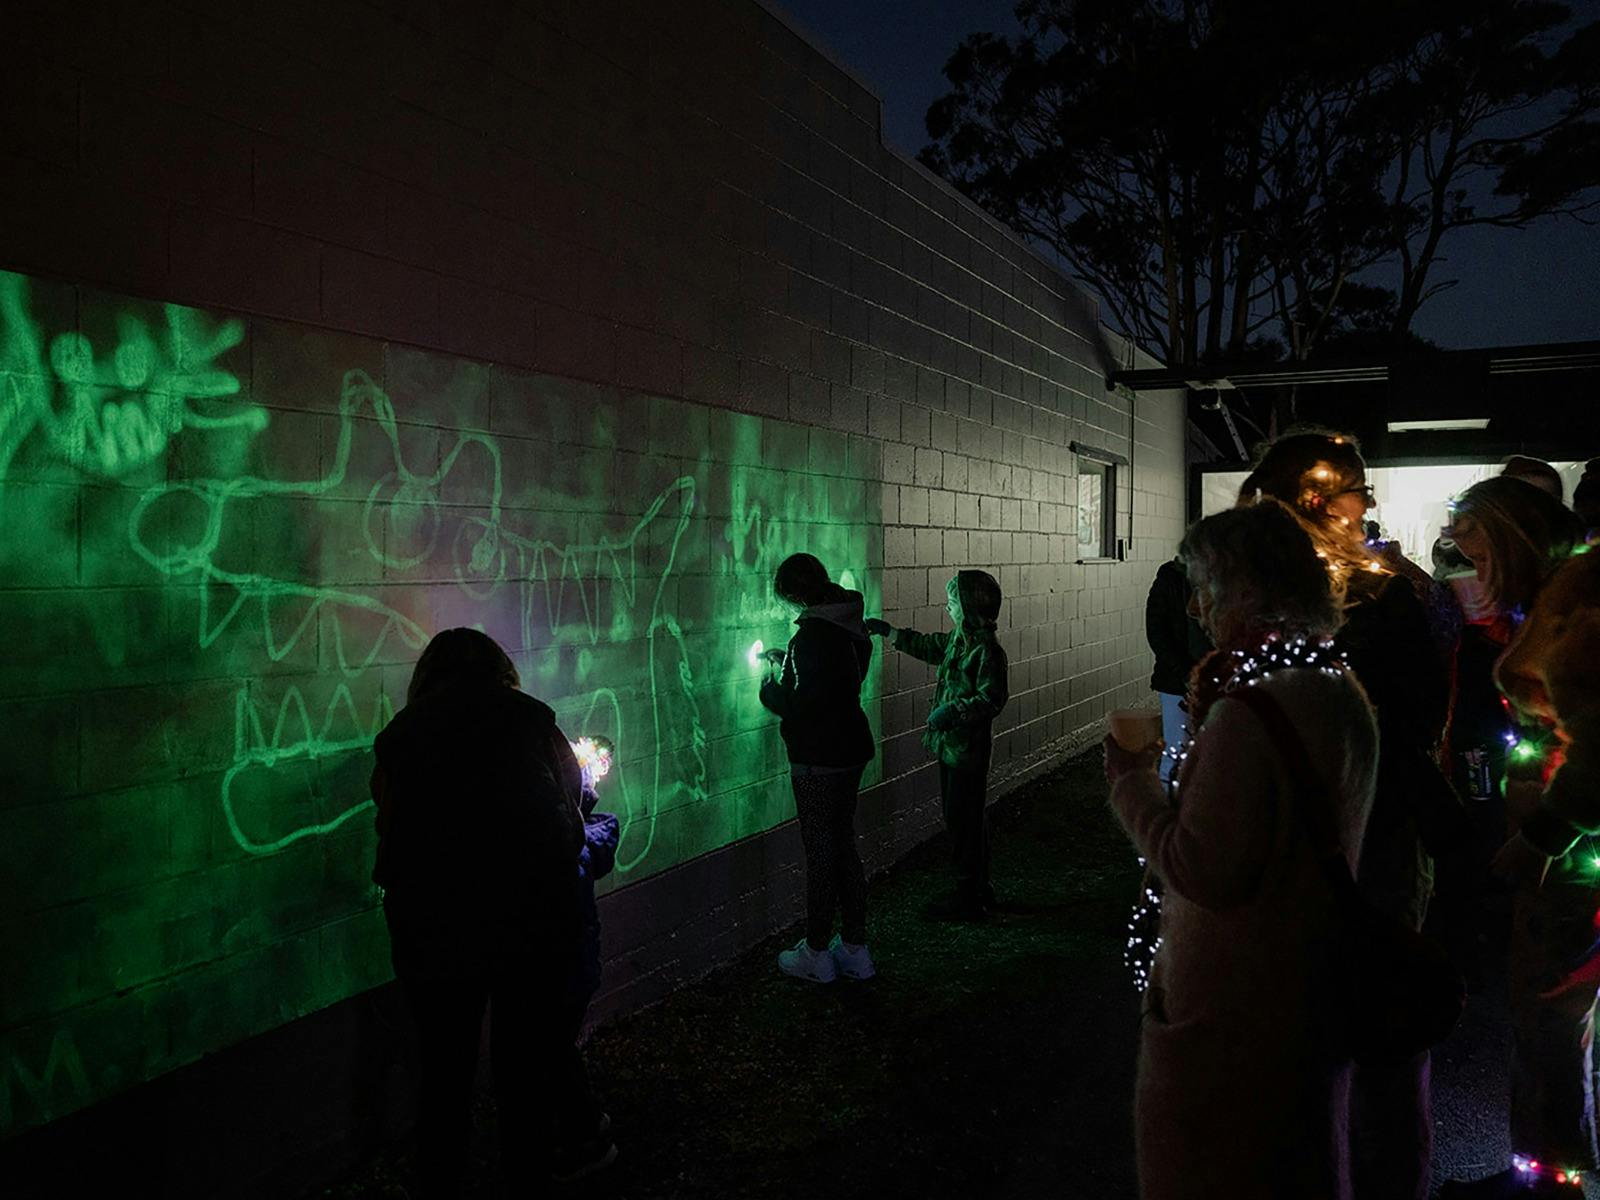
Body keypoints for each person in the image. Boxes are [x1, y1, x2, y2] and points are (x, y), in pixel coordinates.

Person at [1105, 500, 1379, 1200]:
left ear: (1246, 588)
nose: (1195, 608)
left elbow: (1204, 868)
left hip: (1228, 1013)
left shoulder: (1254, 713)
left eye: (1203, 585)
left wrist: (1131, 785)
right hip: (1302, 990)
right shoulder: (1335, 686)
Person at [1237, 428, 1453, 1200]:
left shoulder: (1273, 596)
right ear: (1320, 498)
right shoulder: (1372, 595)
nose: (1369, 506)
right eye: (1360, 491)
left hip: (1326, 838)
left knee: (1336, 1034)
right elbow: (1422, 704)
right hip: (1359, 833)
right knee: (1370, 1034)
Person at [370, 628, 615, 1195]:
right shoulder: (533, 722)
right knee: (522, 1075)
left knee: (444, 1076)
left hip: (432, 929)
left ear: (429, 675)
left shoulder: (404, 733)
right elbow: (571, 819)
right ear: (500, 669)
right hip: (530, 926)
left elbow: (387, 816)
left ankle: (440, 1181)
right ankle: (525, 1178)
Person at [1434, 480, 1588, 1198]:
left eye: (1481, 554)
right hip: (1561, 846)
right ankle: (1543, 1166)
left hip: (1573, 857)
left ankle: (1548, 1178)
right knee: (1548, 1016)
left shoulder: (1578, 603)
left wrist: (1546, 834)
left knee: (1551, 1015)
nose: (1474, 571)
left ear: (1512, 538)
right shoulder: (1556, 593)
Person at [758, 553, 877, 983]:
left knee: (822, 853)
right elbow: (837, 681)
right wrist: (790, 659)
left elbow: (804, 706)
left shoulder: (812, 636)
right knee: (844, 846)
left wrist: (770, 691)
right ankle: (855, 949)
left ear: (794, 595)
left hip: (817, 758)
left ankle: (817, 952)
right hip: (850, 749)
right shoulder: (849, 621)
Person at [867, 570, 1009, 920]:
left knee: (964, 821)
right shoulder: (960, 641)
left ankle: (968, 896)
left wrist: (954, 711)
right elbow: (930, 646)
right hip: (951, 749)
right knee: (963, 818)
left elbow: (991, 698)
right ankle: (977, 887)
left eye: (953, 600)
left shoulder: (986, 651)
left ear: (969, 605)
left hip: (967, 753)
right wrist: (891, 633)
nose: (947, 606)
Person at [1144, 557, 1212, 783]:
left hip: (1188, 677)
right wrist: (1186, 674)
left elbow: (1157, 630)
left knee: (1180, 751)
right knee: (1179, 751)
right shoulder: (1171, 576)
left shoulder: (1172, 576)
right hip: (1180, 680)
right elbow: (1157, 632)